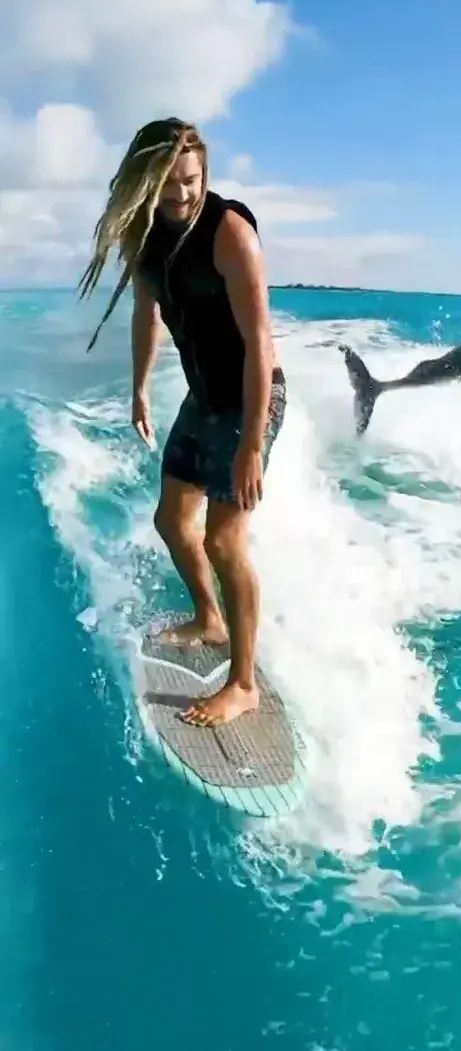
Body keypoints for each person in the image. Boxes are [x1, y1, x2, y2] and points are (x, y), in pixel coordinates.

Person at [78, 116, 286, 728]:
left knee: (224, 540)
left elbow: (260, 343)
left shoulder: (230, 233)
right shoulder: (142, 237)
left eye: (191, 182)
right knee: (172, 520)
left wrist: (251, 443)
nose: (181, 196)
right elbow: (149, 313)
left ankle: (243, 682)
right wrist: (140, 387)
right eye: (168, 186)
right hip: (204, 397)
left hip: (254, 396)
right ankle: (209, 618)